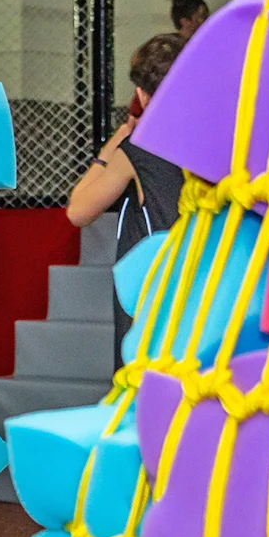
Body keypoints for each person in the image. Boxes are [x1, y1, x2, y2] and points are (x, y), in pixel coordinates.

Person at [66, 31, 188, 366]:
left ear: (141, 94)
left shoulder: (139, 150)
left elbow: (78, 210)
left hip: (152, 294)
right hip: (205, 284)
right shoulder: (218, 140)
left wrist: (112, 148)